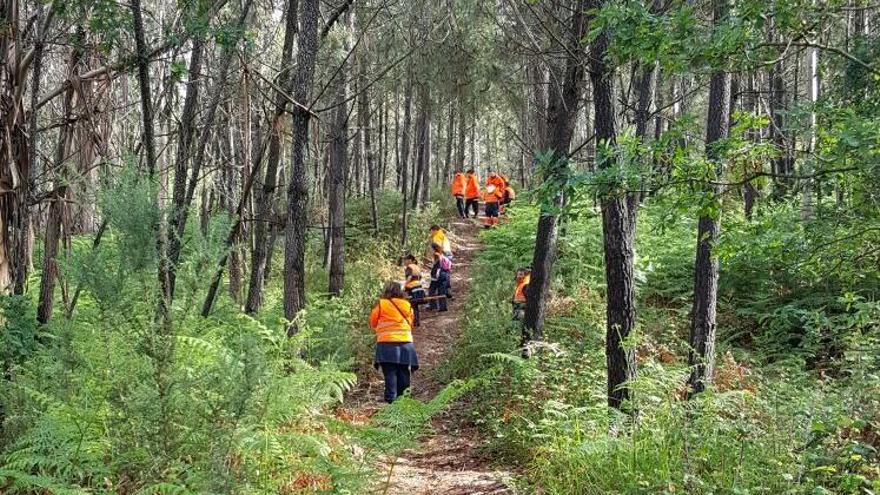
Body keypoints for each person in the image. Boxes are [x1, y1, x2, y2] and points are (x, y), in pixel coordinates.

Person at [369, 281, 419, 403]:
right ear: (400, 291)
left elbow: (373, 322)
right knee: (404, 372)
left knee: (390, 373)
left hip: (386, 343)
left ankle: (391, 400)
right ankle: (404, 400)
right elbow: (411, 323)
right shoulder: (407, 305)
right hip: (406, 343)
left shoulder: (381, 304)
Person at [402, 254, 425, 326]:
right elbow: (420, 277)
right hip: (418, 286)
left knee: (411, 304)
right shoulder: (416, 267)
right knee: (416, 305)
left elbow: (409, 277)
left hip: (411, 288)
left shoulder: (409, 267)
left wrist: (404, 286)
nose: (404, 261)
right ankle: (417, 321)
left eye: (405, 260)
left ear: (410, 260)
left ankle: (413, 321)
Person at [427, 244, 451, 312]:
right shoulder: (441, 254)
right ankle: (443, 307)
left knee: (431, 290)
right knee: (442, 290)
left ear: (433, 248)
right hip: (444, 274)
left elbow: (438, 265)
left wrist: (437, 273)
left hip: (437, 275)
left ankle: (433, 306)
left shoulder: (436, 254)